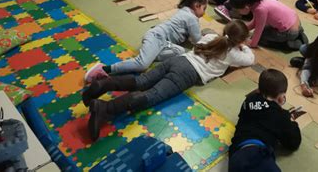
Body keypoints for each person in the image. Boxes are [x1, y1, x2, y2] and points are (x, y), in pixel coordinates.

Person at [83, 20, 255, 141]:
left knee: (142, 81)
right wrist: (242, 45)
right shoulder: (234, 54)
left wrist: (233, 39)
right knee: (152, 95)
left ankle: (103, 83)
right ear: (239, 40)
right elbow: (251, 58)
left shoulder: (211, 38)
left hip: (178, 60)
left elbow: (211, 34)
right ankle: (104, 108)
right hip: (188, 74)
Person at [84, 0, 207, 81]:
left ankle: (149, 55)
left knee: (180, 51)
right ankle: (105, 69)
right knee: (142, 65)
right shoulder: (191, 17)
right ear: (196, 6)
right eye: (204, 9)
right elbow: (197, 40)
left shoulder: (183, 12)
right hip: (157, 37)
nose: (204, 12)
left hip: (163, 42)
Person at [229, 69, 301, 171]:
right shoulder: (280, 115)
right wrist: (293, 123)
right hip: (258, 155)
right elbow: (293, 143)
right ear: (281, 98)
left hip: (235, 155)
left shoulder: (248, 100)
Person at [228, 0, 308, 50]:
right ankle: (298, 34)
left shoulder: (260, 9)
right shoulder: (258, 2)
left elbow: (259, 29)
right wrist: (244, 29)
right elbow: (255, 22)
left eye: (238, 10)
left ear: (245, 7)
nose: (238, 12)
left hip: (289, 32)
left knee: (262, 38)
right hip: (295, 21)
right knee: (262, 32)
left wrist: (252, 44)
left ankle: (291, 44)